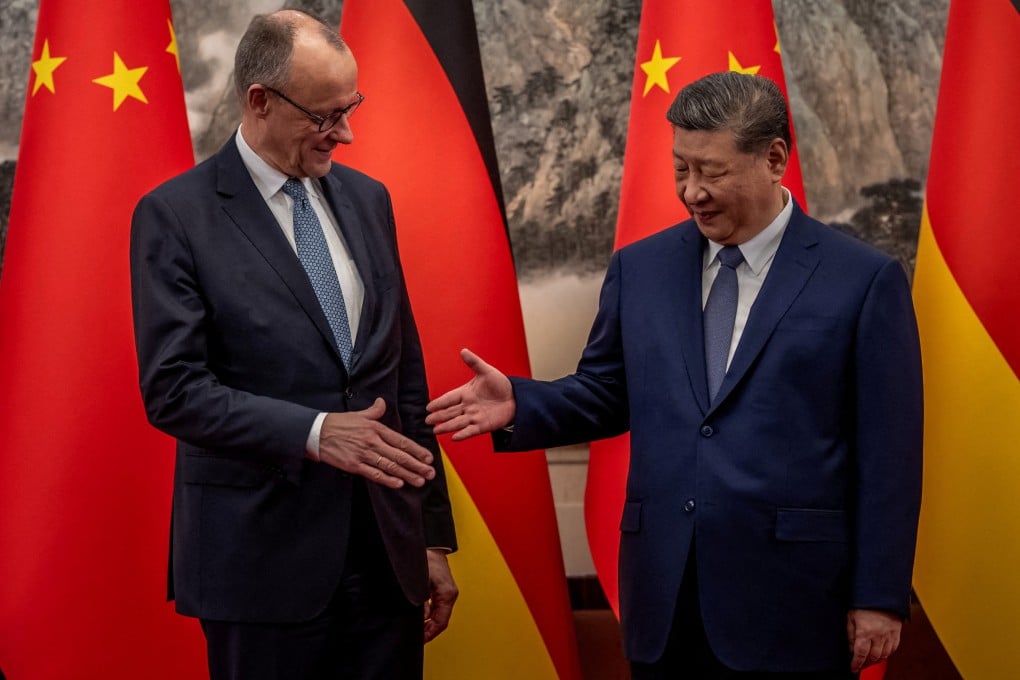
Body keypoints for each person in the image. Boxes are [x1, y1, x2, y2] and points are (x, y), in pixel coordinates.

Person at [427, 71, 922, 679]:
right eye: (681, 168)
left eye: (711, 172)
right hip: (665, 595)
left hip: (794, 601)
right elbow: (607, 391)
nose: (692, 192)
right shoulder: (641, 268)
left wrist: (879, 595)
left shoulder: (863, 281)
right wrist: (521, 403)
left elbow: (890, 455)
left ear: (774, 159)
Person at [130, 10, 457, 679]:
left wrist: (429, 537)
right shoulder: (176, 215)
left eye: (351, 108)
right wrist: (314, 432)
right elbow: (174, 390)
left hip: (385, 560)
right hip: (261, 564)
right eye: (325, 115)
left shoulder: (368, 200)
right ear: (260, 101)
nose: (346, 133)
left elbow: (404, 377)